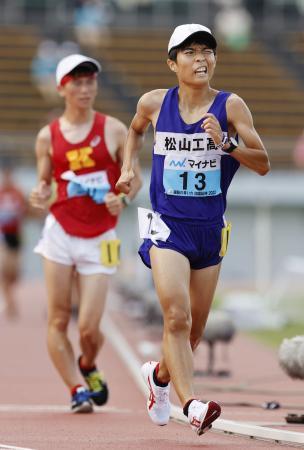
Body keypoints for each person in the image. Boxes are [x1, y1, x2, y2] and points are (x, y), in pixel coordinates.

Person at [116, 24, 270, 435]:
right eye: (190, 52)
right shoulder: (153, 103)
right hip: (166, 226)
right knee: (176, 316)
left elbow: (263, 161)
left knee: (194, 330)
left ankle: (160, 378)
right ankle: (193, 405)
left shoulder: (231, 106)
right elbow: (133, 131)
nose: (201, 58)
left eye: (207, 51)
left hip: (209, 228)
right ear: (172, 62)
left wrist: (226, 144)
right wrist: (128, 167)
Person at [30, 53, 142, 413]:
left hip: (101, 237)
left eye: (90, 81)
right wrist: (39, 193)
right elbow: (44, 184)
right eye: (76, 82)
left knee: (89, 330)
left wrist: (122, 199)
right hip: (60, 232)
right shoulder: (48, 137)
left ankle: (89, 364)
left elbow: (134, 178)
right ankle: (76, 389)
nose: (85, 88)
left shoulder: (113, 129)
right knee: (59, 317)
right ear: (61, 88)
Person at [0, 167, 27, 319]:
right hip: (2, 236)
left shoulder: (18, 193)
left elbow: (25, 213)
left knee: (14, 274)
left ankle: (9, 291)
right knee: (3, 270)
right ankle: (10, 302)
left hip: (15, 236)